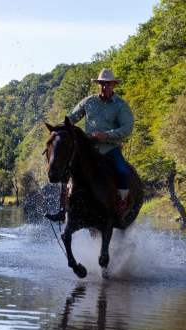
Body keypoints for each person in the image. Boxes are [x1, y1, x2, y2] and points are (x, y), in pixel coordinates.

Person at [45, 69, 134, 227]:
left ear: (114, 85)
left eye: (107, 84)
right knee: (66, 171)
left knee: (123, 172)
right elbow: (71, 118)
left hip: (110, 149)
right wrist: (58, 132)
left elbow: (127, 129)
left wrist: (106, 135)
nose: (104, 86)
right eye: (101, 84)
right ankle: (63, 209)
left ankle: (119, 214)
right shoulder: (88, 102)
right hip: (88, 150)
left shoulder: (121, 106)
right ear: (98, 85)